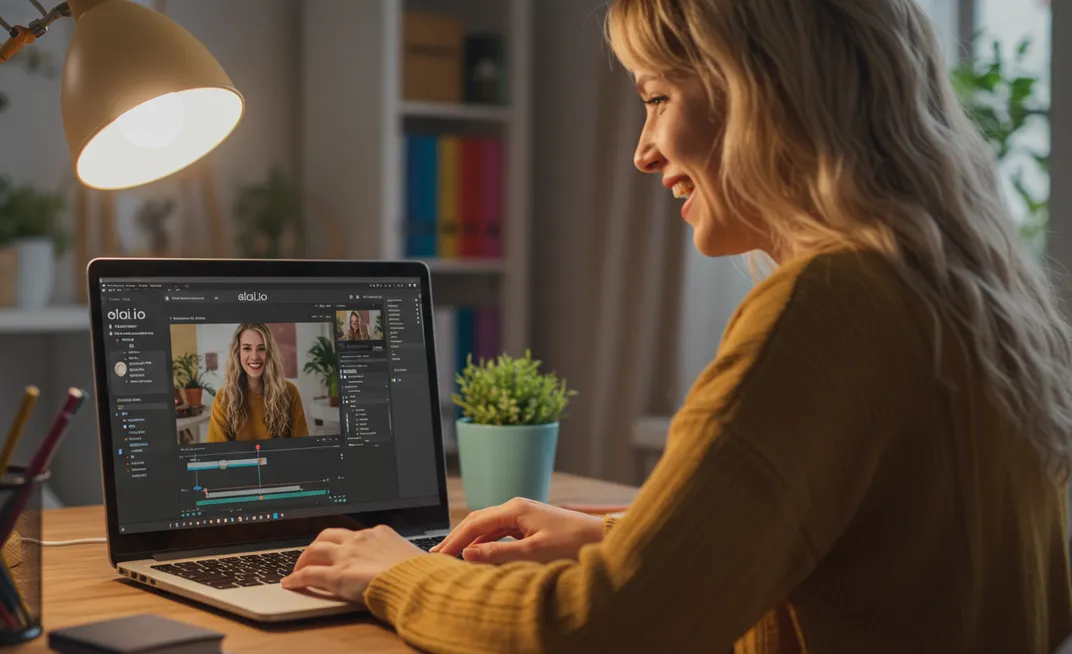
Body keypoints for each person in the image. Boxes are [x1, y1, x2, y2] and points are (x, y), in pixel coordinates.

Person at [280, 0, 1072, 651]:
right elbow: (883, 556)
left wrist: (390, 572)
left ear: (762, 88)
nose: (643, 153)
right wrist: (619, 540)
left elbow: (600, 627)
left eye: (657, 98)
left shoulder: (828, 305)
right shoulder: (959, 299)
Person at [206, 323, 309, 441]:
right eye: (247, 348)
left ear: (269, 353)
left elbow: (302, 446)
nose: (254, 356)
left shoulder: (290, 392)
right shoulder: (223, 398)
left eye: (261, 348)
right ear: (238, 353)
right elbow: (218, 454)